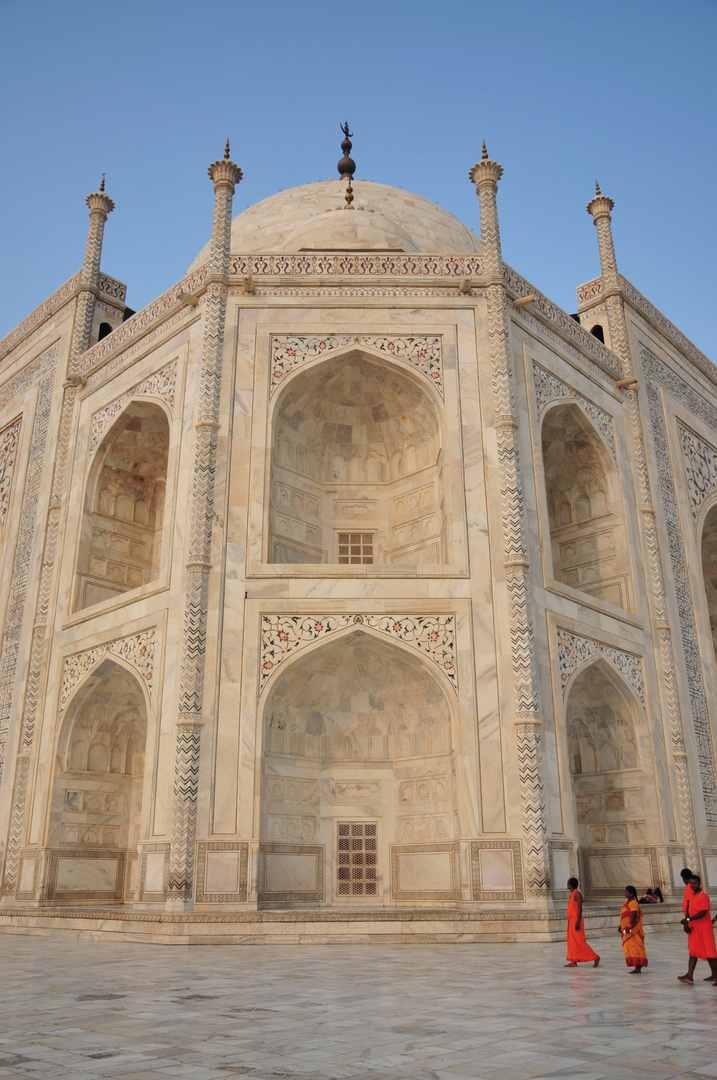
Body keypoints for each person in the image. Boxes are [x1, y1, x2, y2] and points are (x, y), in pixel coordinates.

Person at [677, 874, 717, 985]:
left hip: (704, 929)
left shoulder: (704, 897)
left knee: (710, 953)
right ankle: (689, 976)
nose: (693, 885)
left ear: (699, 883)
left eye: (695, 883)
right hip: (694, 928)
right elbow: (688, 909)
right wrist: (687, 923)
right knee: (693, 952)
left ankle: (716, 975)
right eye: (691, 883)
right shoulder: (691, 896)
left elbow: (703, 912)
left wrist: (689, 919)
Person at [565, 877, 600, 968]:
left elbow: (580, 908)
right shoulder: (572, 894)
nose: (567, 885)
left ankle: (595, 957)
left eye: (568, 883)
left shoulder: (577, 894)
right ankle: (573, 960)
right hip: (571, 921)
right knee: (572, 942)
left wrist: (577, 921)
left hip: (576, 920)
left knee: (580, 941)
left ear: (570, 885)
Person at [619, 886, 648, 973]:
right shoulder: (627, 902)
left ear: (631, 894)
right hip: (628, 929)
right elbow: (625, 916)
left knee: (636, 947)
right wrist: (620, 925)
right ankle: (635, 965)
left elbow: (634, 915)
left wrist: (629, 926)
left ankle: (638, 967)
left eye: (626, 892)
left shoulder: (633, 903)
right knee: (630, 948)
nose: (625, 893)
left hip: (634, 930)